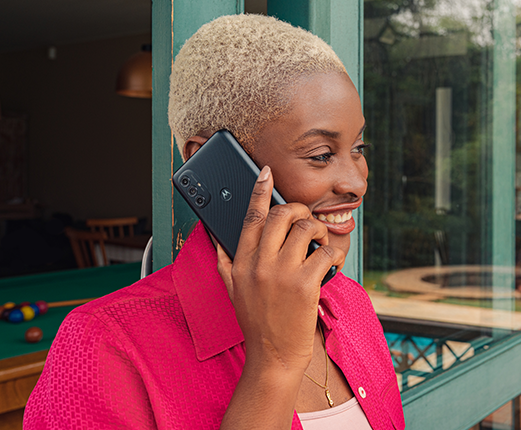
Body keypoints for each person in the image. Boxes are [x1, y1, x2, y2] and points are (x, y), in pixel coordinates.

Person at [24, 14, 405, 430]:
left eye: (358, 147)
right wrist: (273, 366)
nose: (356, 182)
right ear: (217, 166)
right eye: (320, 154)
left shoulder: (349, 304)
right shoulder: (104, 346)